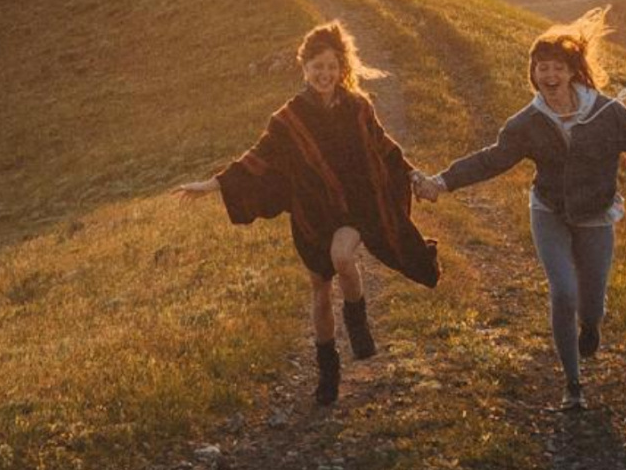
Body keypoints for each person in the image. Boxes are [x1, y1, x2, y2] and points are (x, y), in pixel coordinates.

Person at [415, 8, 626, 411]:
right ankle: (572, 385)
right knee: (563, 292)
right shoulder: (527, 123)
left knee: (592, 304)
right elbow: (491, 159)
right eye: (541, 69)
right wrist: (442, 181)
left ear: (573, 71)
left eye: (557, 68)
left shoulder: (607, 113)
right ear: (533, 74)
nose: (549, 76)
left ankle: (590, 327)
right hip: (549, 212)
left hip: (596, 215)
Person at [174, 20, 439, 406]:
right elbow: (258, 159)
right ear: (305, 69)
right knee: (319, 291)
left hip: (354, 208)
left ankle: (357, 318)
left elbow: (384, 147)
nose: (324, 74)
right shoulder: (288, 119)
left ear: (342, 68)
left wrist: (414, 174)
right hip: (312, 215)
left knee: (343, 257)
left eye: (331, 66)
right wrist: (214, 184)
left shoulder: (358, 107)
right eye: (317, 66)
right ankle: (328, 373)